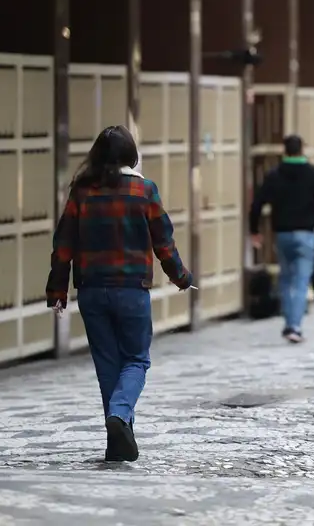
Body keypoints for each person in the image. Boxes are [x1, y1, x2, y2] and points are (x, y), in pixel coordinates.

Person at [47, 125, 193, 463]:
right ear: (132, 155)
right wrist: (181, 277)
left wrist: (57, 287)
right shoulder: (144, 191)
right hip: (131, 290)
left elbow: (63, 243)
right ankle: (120, 415)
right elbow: (163, 242)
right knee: (137, 359)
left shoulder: (82, 192)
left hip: (92, 291)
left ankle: (117, 440)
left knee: (108, 365)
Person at [249, 135, 314, 343]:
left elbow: (257, 204)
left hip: (282, 235)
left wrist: (254, 230)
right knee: (301, 281)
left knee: (286, 278)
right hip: (306, 234)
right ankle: (295, 326)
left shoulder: (275, 175)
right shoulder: (312, 173)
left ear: (284, 151)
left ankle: (289, 322)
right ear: (302, 150)